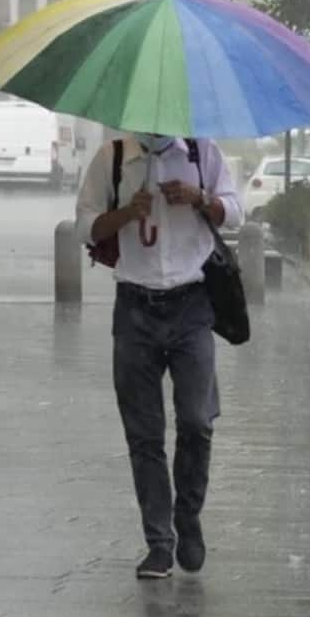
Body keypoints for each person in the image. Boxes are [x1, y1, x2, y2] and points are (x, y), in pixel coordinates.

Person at [78, 130, 244, 579]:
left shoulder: (201, 151)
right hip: (134, 307)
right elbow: (84, 225)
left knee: (196, 420)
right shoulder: (113, 157)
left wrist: (200, 198)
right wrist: (124, 214)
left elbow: (236, 212)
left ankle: (187, 517)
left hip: (191, 304)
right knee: (144, 435)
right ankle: (159, 541)